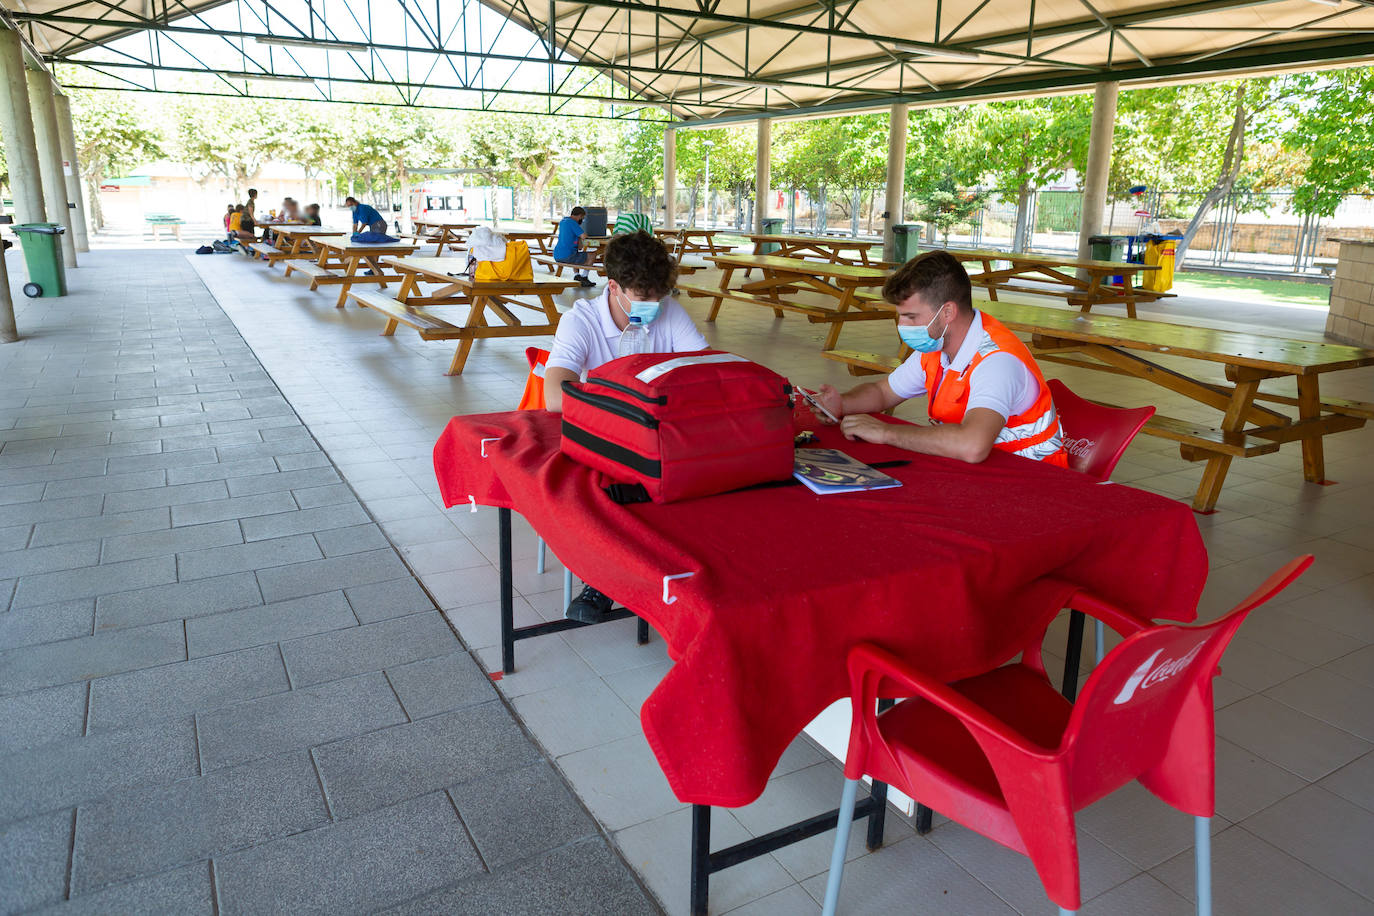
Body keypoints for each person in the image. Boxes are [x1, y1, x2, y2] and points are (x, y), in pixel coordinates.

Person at [543, 231, 710, 621]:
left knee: (704, 471)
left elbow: (705, 370)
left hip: (659, 433)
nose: (653, 305)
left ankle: (687, 572)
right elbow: (554, 395)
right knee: (612, 488)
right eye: (643, 296)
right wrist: (624, 410)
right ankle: (604, 581)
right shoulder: (581, 320)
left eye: (658, 295)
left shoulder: (669, 311)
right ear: (613, 286)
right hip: (610, 432)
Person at [808, 250, 1067, 466]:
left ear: (947, 313)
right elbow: (883, 392)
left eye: (911, 317)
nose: (902, 325)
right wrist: (842, 404)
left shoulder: (997, 360)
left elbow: (972, 446)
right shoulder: (936, 347)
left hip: (1032, 480)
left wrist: (886, 432)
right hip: (982, 472)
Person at [553, 205, 594, 287]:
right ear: (579, 216)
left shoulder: (563, 221)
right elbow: (584, 236)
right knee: (592, 255)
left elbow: (579, 247)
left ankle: (577, 275)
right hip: (567, 256)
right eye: (582, 217)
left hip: (557, 255)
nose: (582, 220)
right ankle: (584, 277)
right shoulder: (573, 222)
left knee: (576, 252)